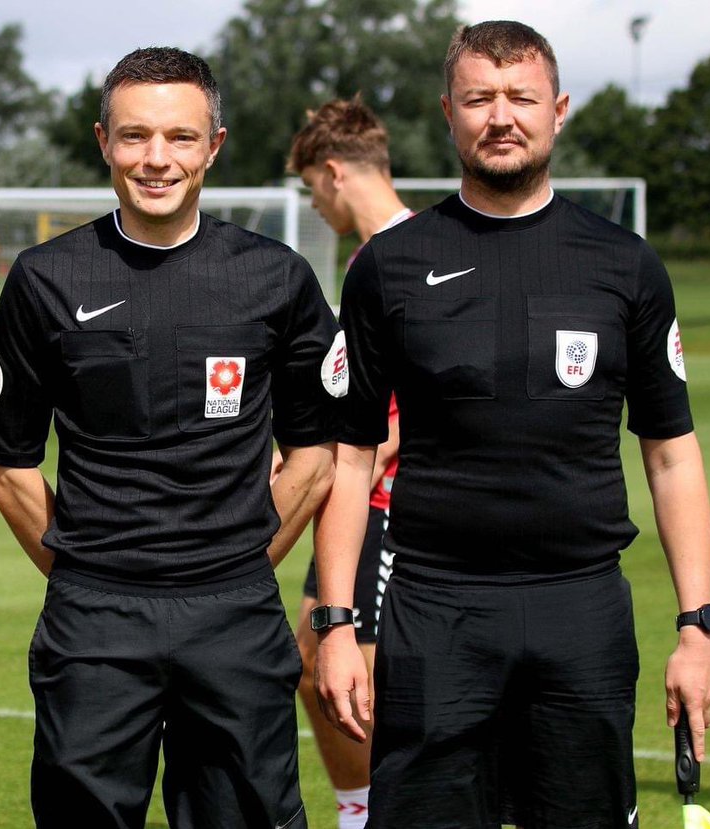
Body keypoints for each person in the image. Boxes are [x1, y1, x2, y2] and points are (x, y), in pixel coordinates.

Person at [315, 20, 710, 828]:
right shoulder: (391, 266)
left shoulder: (625, 263)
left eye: (520, 97)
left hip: (583, 607)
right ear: (449, 113)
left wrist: (696, 625)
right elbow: (351, 458)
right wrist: (334, 624)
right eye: (479, 98)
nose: (501, 115)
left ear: (558, 109)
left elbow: (672, 456)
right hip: (436, 606)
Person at [0, 46, 342, 829]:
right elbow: (6, 465)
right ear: (102, 140)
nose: (156, 159)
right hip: (94, 620)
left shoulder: (276, 278)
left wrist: (236, 560)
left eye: (180, 137)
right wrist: (86, 569)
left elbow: (315, 459)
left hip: (234, 615)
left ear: (214, 145)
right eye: (136, 136)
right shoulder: (46, 279)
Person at [285, 96, 411, 829]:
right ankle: (365, 807)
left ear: (333, 173)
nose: (314, 204)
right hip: (358, 505)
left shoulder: (407, 252)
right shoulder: (373, 255)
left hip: (396, 506)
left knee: (335, 665)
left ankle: (371, 810)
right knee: (317, 661)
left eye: (311, 188)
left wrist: (326, 467)